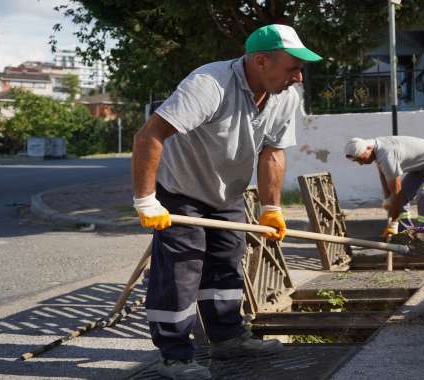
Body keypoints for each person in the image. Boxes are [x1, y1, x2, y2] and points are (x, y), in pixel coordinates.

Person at [131, 24, 322, 379]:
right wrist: (146, 200)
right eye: (293, 67)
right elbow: (149, 135)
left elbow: (273, 151)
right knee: (180, 271)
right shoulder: (209, 85)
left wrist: (271, 208)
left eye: (300, 69)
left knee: (226, 266)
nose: (298, 77)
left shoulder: (286, 96)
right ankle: (175, 356)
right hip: (181, 190)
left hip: (228, 193)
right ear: (262, 61)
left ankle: (227, 339)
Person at [344, 136, 424, 238]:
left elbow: (396, 192)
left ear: (368, 148)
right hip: (420, 168)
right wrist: (387, 198)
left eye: (360, 159)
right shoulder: (375, 147)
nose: (360, 163)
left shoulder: (386, 155)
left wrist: (393, 223)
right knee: (402, 197)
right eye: (356, 160)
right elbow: (384, 173)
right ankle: (406, 235)